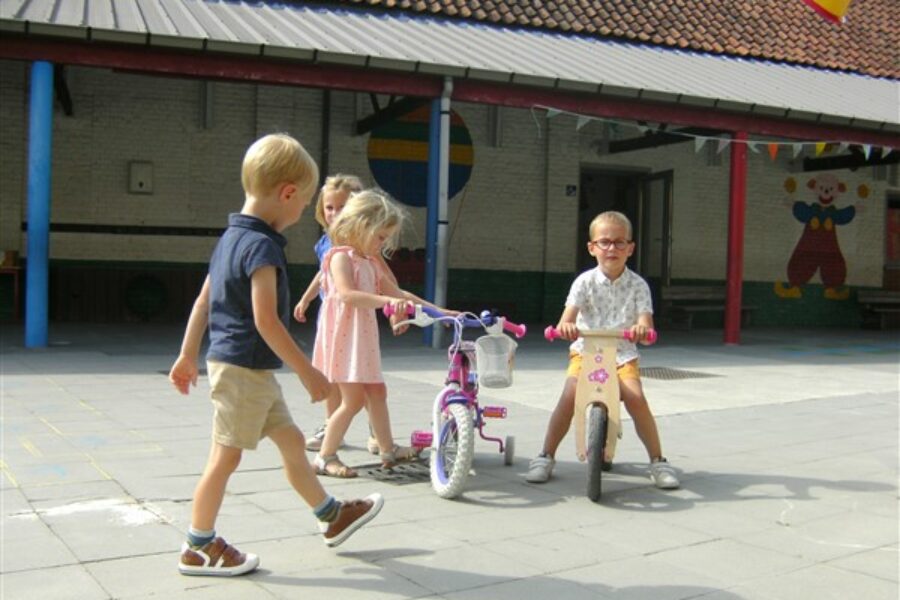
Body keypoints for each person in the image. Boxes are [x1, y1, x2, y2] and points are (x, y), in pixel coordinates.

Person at [168, 134, 384, 577]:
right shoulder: (263, 246)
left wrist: (188, 354)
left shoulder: (229, 238)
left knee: (290, 443)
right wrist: (308, 372)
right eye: (305, 202)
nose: (303, 211)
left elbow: (204, 302)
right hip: (243, 371)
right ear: (287, 193)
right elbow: (267, 320)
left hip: (247, 371)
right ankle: (198, 545)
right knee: (224, 458)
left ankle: (331, 516)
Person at [525, 211, 679, 490]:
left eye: (620, 243)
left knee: (635, 397)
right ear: (592, 247)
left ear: (630, 248)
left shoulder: (638, 286)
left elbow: (646, 324)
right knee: (570, 395)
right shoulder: (583, 282)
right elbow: (565, 320)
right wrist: (567, 327)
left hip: (622, 355)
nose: (612, 249)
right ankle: (546, 455)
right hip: (586, 352)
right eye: (605, 242)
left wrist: (643, 330)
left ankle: (658, 460)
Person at [310, 188, 427, 477]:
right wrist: (389, 302)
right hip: (344, 339)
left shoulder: (370, 262)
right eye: (380, 237)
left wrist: (443, 311)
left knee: (377, 391)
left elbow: (399, 293)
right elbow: (348, 295)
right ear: (361, 226)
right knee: (353, 401)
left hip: (361, 339)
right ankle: (325, 457)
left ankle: (388, 450)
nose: (383, 244)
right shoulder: (340, 257)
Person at [294, 175, 388, 455]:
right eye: (329, 207)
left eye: (342, 206)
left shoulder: (365, 243)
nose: (334, 213)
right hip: (333, 318)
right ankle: (332, 427)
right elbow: (323, 272)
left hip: (355, 319)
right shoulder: (327, 243)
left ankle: (376, 432)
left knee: (366, 379)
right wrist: (307, 297)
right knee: (336, 378)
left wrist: (396, 308)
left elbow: (385, 276)